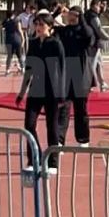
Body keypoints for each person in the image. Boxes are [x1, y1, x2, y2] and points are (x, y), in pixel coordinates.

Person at [16, 14, 66, 173]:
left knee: (52, 127)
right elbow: (28, 70)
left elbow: (63, 69)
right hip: (35, 89)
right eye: (36, 24)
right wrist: (22, 92)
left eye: (42, 25)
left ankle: (53, 163)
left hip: (52, 90)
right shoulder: (33, 43)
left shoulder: (56, 44)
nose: (38, 27)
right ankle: (34, 158)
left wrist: (62, 93)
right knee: (29, 124)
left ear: (50, 27)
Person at [56, 6, 96, 146]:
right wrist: (57, 12)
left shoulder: (85, 30)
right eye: (69, 14)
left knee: (81, 110)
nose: (70, 17)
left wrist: (81, 17)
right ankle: (59, 140)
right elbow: (48, 26)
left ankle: (83, 139)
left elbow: (89, 37)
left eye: (74, 15)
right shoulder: (64, 31)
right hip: (66, 74)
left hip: (82, 74)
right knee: (63, 109)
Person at [85, 0, 109, 92]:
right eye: (98, 6)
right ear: (94, 6)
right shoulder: (93, 16)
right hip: (92, 43)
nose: (100, 8)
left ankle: (102, 83)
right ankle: (88, 84)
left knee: (99, 63)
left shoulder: (88, 14)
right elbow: (99, 29)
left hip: (92, 43)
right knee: (92, 65)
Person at [2, 9, 25, 75]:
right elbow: (20, 29)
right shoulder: (17, 20)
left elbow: (1, 27)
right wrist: (23, 38)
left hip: (8, 39)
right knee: (19, 54)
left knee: (9, 55)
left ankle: (7, 70)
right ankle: (22, 68)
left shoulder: (6, 21)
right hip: (16, 39)